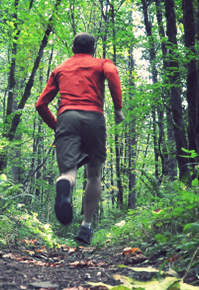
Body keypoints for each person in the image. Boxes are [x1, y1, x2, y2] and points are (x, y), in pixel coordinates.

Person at [35, 32, 125, 245]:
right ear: (93, 48)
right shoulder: (101, 63)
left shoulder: (60, 68)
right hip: (94, 117)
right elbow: (112, 72)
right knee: (94, 175)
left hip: (67, 117)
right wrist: (118, 108)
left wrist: (57, 126)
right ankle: (85, 227)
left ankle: (64, 183)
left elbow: (40, 104)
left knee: (68, 172)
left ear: (73, 48)